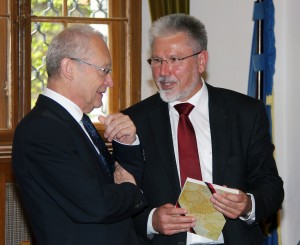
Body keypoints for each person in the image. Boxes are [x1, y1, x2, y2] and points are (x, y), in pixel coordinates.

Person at [123, 13, 284, 245]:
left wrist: (248, 204)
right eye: (157, 61)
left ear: (201, 61)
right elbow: (121, 200)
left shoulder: (244, 113)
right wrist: (151, 220)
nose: (163, 72)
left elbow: (271, 186)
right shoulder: (134, 121)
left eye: (175, 59)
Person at [12, 25, 147, 245]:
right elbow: (96, 204)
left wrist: (128, 143)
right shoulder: (41, 131)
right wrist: (131, 190)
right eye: (104, 70)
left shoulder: (76, 122)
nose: (110, 81)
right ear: (68, 68)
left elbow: (118, 181)